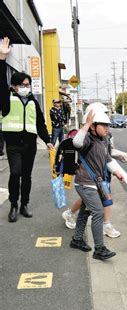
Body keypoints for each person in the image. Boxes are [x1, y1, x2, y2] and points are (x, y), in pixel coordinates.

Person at [0, 37, 54, 223]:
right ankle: (13, 204)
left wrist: (47, 140)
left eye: (27, 84)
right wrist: (1, 59)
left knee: (26, 176)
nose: (25, 87)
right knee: (15, 173)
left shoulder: (33, 101)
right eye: (22, 85)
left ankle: (24, 204)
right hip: (14, 145)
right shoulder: (7, 100)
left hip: (30, 145)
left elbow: (40, 123)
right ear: (14, 86)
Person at [70, 109, 123, 260]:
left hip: (95, 183)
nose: (107, 128)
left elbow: (107, 160)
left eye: (108, 125)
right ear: (93, 126)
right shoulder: (87, 139)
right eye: (103, 125)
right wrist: (86, 125)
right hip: (85, 183)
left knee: (85, 211)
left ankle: (77, 239)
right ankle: (99, 249)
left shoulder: (102, 141)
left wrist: (117, 172)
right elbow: (76, 142)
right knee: (98, 212)